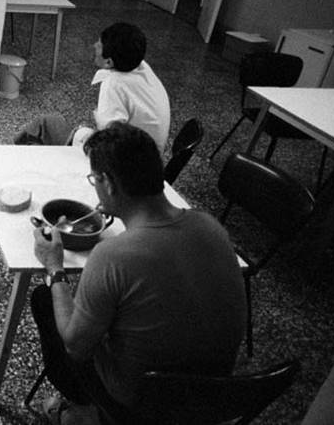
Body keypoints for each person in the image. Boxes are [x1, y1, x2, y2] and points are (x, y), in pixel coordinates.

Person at [31, 123, 245, 423]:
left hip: (143, 406)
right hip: (212, 399)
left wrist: (54, 267)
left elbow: (76, 347)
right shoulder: (212, 227)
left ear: (109, 183)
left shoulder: (111, 256)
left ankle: (88, 411)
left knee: (44, 298)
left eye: (95, 180)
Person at [14, 22, 171, 153]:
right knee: (59, 125)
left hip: (123, 164)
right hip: (148, 158)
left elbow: (109, 143)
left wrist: (83, 137)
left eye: (99, 45)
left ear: (109, 62)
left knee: (44, 124)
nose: (94, 45)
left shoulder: (114, 84)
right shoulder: (140, 65)